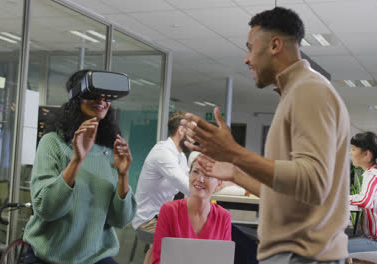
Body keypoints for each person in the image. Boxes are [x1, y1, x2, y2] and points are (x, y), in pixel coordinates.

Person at [182, 7, 350, 263]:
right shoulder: (295, 92)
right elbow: (290, 194)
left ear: (274, 45)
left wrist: (235, 153)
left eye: (250, 48)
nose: (246, 59)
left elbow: (314, 182)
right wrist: (236, 173)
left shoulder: (309, 90)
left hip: (302, 256)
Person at [22, 70, 136, 264]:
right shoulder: (53, 143)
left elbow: (121, 220)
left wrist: (123, 175)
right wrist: (77, 160)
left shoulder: (110, 149)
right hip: (49, 257)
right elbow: (46, 208)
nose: (102, 100)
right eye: (93, 94)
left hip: (96, 257)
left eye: (107, 96)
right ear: (76, 98)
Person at [151, 151, 231, 264]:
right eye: (195, 172)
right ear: (189, 175)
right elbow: (158, 260)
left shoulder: (223, 217)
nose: (200, 179)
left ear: (219, 184)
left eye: (207, 175)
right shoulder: (169, 211)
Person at [132, 111, 191, 234]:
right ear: (181, 130)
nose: (195, 138)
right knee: (185, 236)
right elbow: (188, 187)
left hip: (162, 216)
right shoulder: (163, 152)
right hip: (147, 220)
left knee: (192, 228)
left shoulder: (180, 156)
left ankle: (153, 253)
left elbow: (190, 184)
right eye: (192, 133)